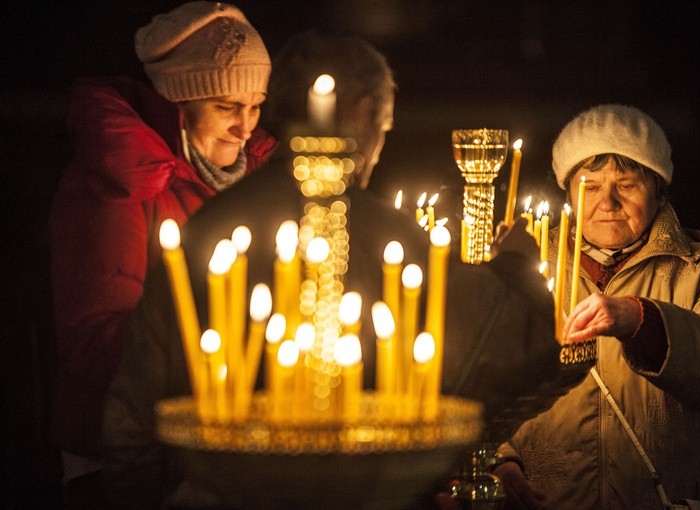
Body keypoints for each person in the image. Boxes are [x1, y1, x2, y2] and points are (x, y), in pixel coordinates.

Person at [102, 29, 564, 509]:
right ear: (361, 114)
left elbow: (132, 421)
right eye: (382, 129)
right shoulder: (389, 239)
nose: (378, 150)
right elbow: (516, 348)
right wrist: (516, 267)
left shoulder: (207, 230)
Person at [48, 2, 277, 506]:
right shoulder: (114, 183)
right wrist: (224, 337)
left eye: (255, 105)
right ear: (177, 103)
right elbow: (91, 343)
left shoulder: (259, 181)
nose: (245, 127)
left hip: (218, 451)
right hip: (119, 459)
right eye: (224, 105)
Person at [492, 104, 700, 509]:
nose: (607, 201)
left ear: (659, 189)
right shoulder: (527, 268)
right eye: (590, 186)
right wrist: (499, 462)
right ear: (567, 193)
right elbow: (484, 377)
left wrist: (639, 319)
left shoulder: (699, 268)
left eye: (627, 184)